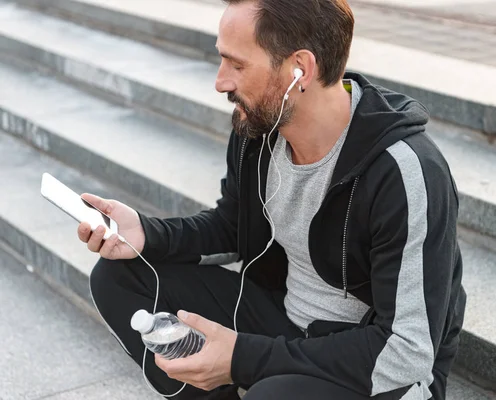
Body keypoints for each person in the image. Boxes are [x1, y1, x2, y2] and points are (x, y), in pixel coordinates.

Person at [78, 0, 467, 399]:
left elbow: (407, 351)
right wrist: (145, 233)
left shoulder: (404, 171)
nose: (220, 82)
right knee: (120, 277)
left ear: (300, 68)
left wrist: (241, 358)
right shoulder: (260, 128)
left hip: (371, 362)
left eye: (237, 65)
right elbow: (233, 225)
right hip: (283, 319)